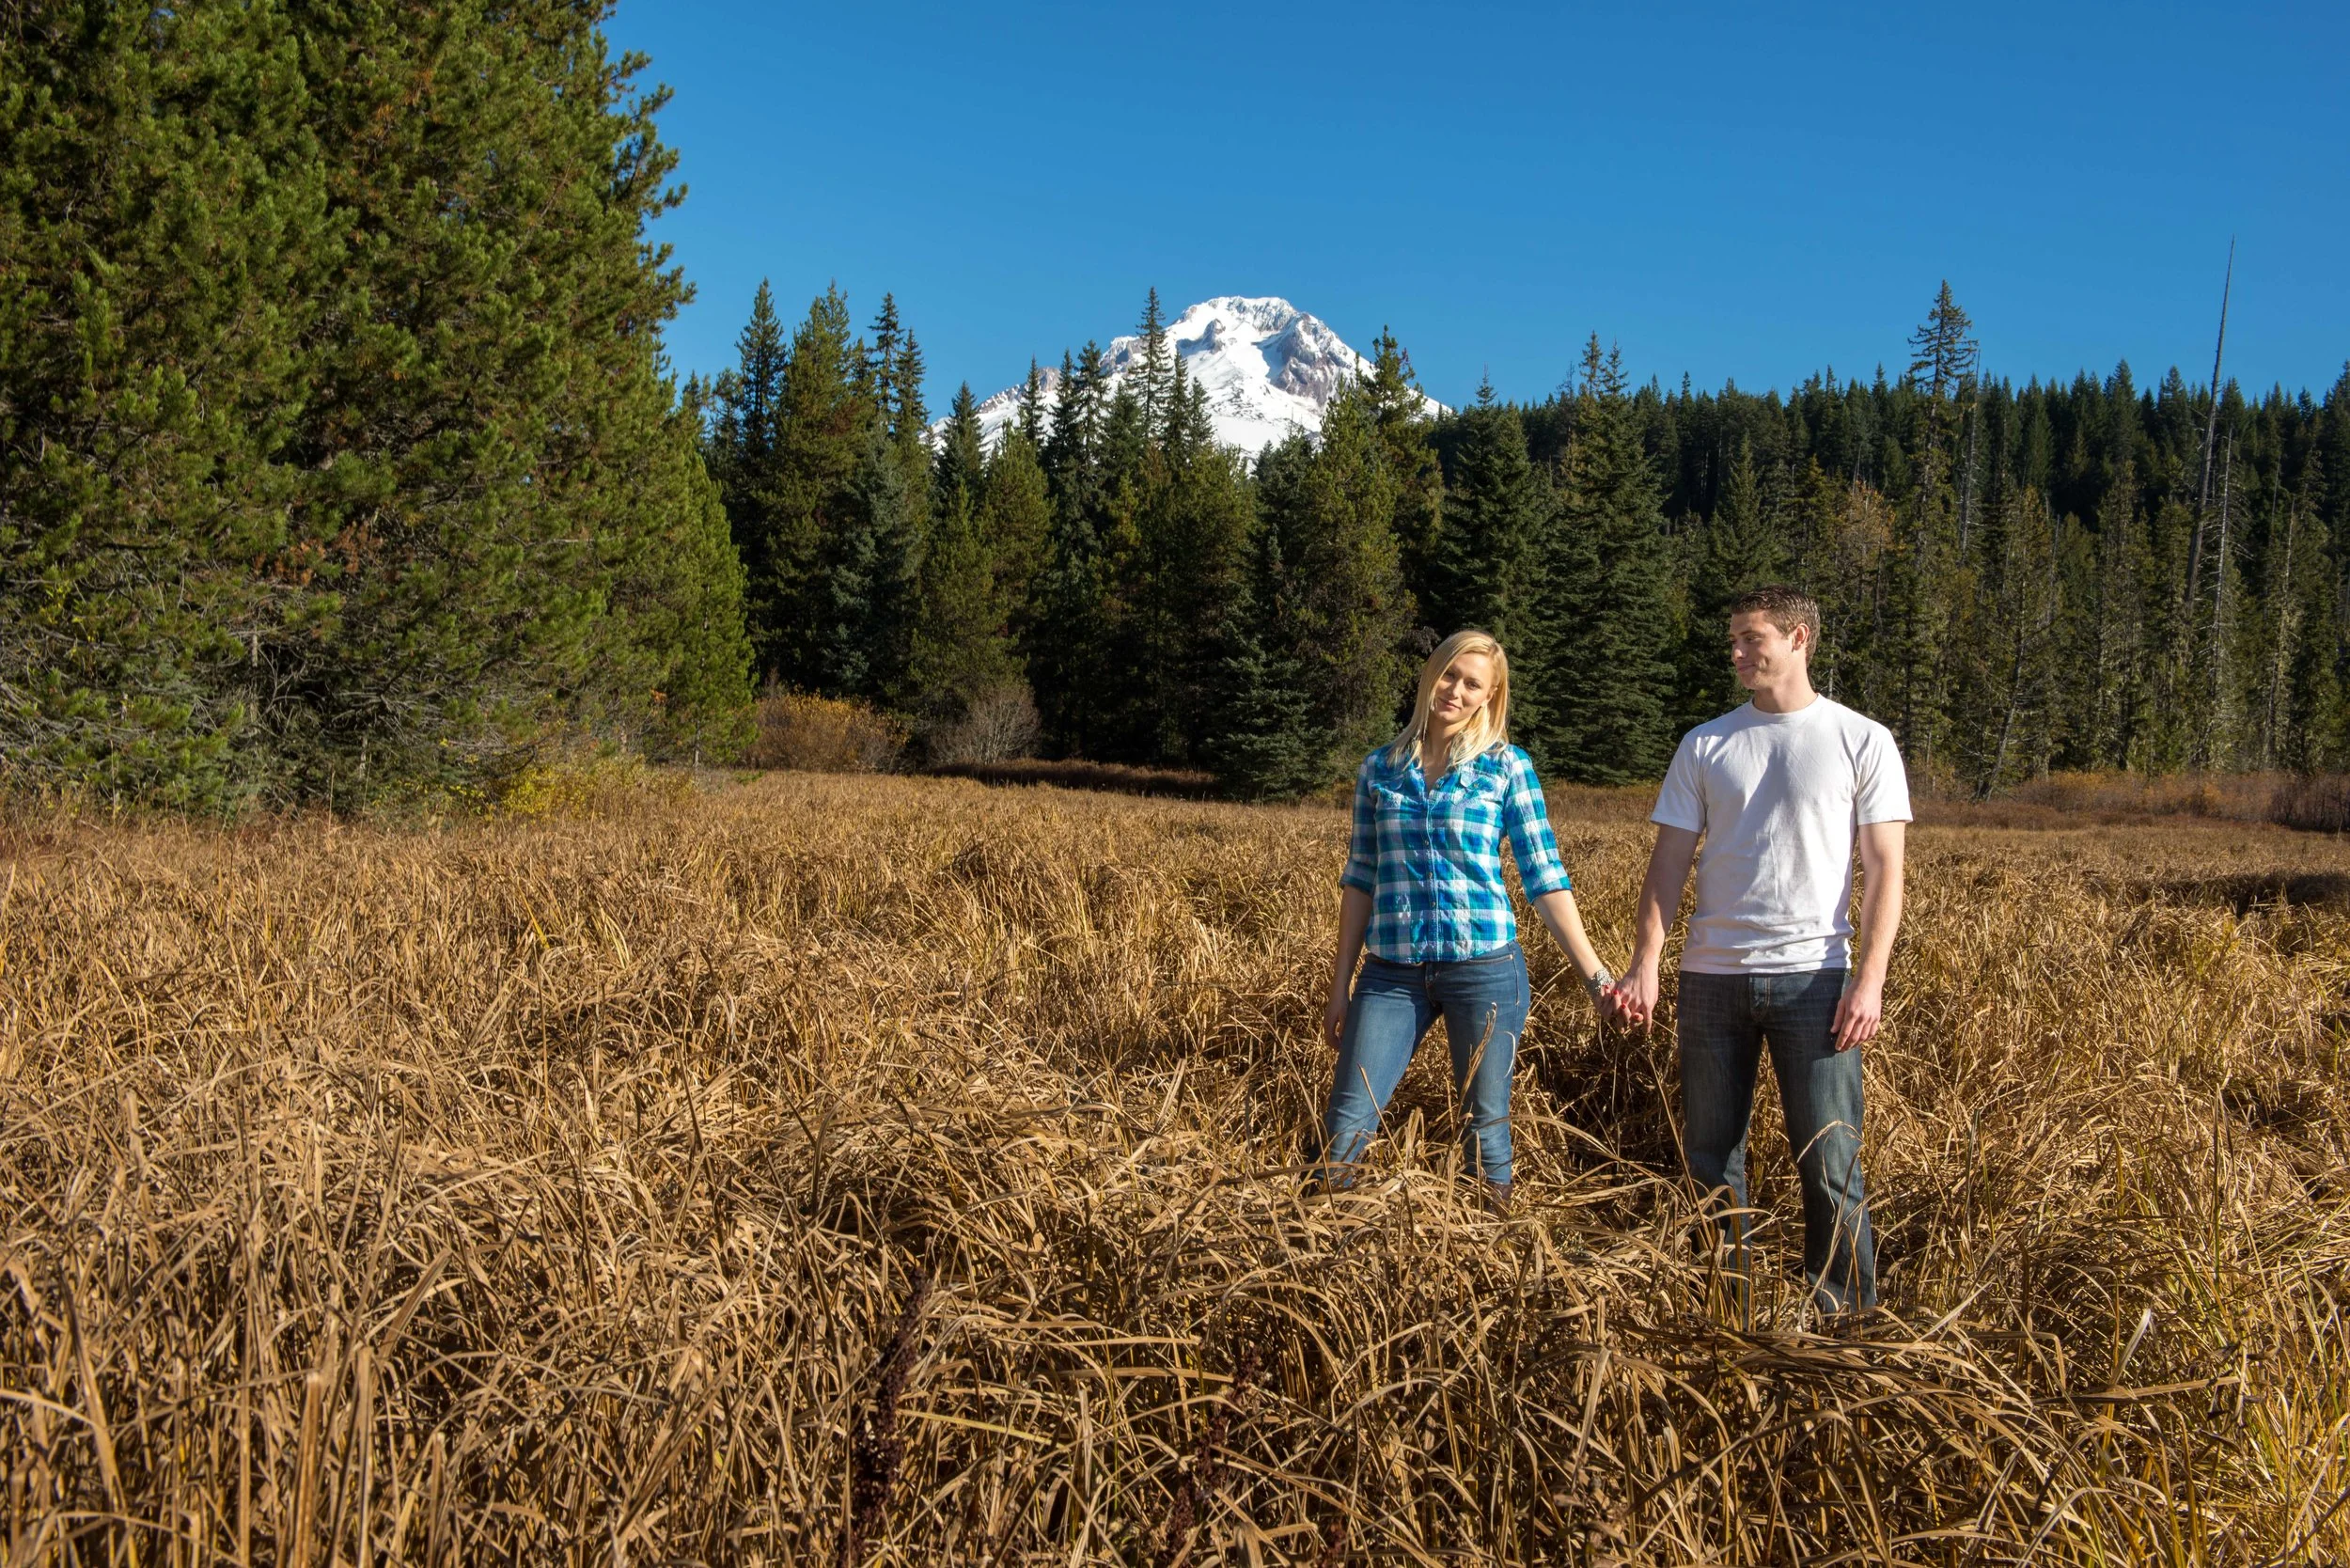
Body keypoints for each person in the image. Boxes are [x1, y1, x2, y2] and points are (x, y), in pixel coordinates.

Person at [1609, 585, 1909, 1316]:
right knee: (1712, 1159)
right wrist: (1646, 961)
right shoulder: (1705, 743)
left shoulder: (1860, 739)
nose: (1738, 653)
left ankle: (1845, 1318)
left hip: (1816, 982)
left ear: (1799, 638)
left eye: (1753, 639)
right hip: (1711, 980)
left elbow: (1884, 871)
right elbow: (1668, 864)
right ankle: (1726, 1307)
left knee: (1830, 1160)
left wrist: (1868, 982)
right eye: (1734, 641)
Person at [1322, 629, 1617, 1211]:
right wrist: (1340, 986)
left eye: (1472, 683)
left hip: (1484, 969)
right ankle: (1325, 1247)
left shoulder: (1506, 769)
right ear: (1431, 675)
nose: (1455, 690)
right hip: (1391, 972)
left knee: (1486, 1129)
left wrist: (1596, 976)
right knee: (1346, 1121)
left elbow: (1545, 878)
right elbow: (1359, 879)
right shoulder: (1378, 771)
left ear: (1490, 696)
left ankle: (1491, 1258)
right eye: (1448, 674)